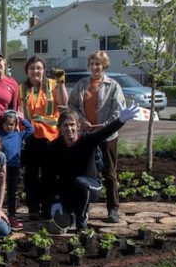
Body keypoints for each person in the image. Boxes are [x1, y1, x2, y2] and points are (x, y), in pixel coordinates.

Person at [46, 104, 139, 233]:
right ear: (60, 129)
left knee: (80, 183)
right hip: (69, 188)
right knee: (59, 215)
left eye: (72, 125)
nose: (69, 129)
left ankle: (81, 223)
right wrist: (55, 200)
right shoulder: (54, 147)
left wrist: (121, 120)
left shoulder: (87, 140)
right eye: (65, 125)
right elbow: (49, 176)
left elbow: (104, 133)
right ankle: (70, 215)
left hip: (91, 186)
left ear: (78, 127)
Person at [67, 50, 126, 223]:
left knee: (109, 173)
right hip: (86, 136)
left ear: (104, 66)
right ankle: (82, 208)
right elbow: (72, 105)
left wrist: (105, 126)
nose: (95, 67)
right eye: (92, 63)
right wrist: (82, 120)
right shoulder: (82, 84)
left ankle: (113, 209)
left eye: (98, 64)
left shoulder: (113, 85)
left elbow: (119, 110)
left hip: (107, 136)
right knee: (85, 172)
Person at [18, 56, 68, 220]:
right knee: (30, 175)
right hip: (30, 138)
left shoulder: (53, 85)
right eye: (32, 68)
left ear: (44, 70)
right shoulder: (22, 89)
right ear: (27, 71)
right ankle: (33, 208)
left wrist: (61, 82)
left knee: (49, 175)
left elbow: (63, 103)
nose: (35, 71)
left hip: (50, 138)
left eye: (38, 68)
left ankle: (47, 207)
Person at [0, 110, 34, 230]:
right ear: (2, 124)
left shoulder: (18, 134)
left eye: (12, 124)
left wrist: (22, 118)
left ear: (15, 125)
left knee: (12, 192)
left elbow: (31, 130)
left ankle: (12, 215)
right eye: (7, 123)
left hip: (14, 166)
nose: (9, 126)